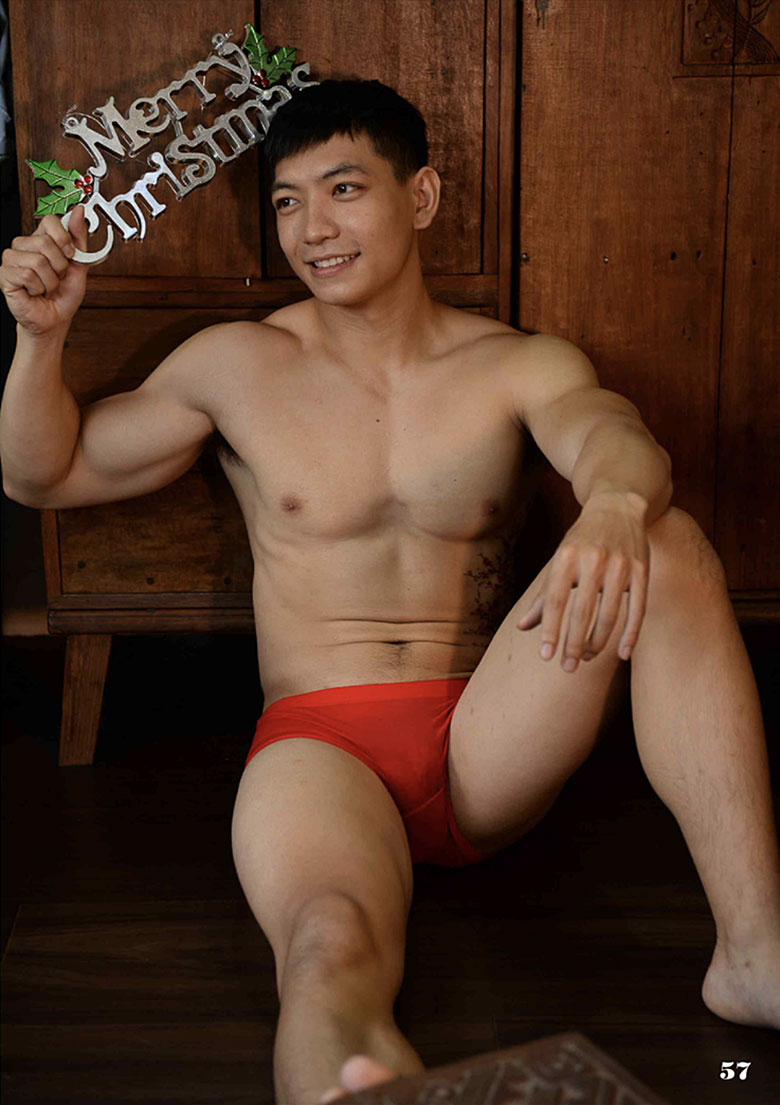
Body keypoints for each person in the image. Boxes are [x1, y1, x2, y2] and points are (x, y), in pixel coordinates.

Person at [1, 79, 778, 1104]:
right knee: (326, 948)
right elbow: (45, 473)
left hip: (490, 737)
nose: (312, 229)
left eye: (343, 188)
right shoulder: (238, 363)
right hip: (320, 746)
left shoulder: (513, 363)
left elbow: (610, 434)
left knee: (666, 541)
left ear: (421, 196)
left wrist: (618, 503)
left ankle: (754, 953)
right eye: (287, 201)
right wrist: (41, 340)